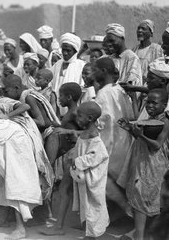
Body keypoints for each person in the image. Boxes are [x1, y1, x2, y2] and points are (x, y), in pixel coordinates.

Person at [0, 85, 53, 240]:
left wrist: (7, 118)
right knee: (4, 183)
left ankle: (20, 229)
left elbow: (24, 106)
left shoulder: (2, 102)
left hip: (18, 146)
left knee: (16, 183)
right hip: (5, 147)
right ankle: (6, 219)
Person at [117, 88, 169, 240]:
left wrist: (140, 135)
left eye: (154, 103)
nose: (150, 106)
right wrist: (129, 129)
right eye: (148, 102)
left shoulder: (165, 121)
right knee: (141, 196)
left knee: (142, 196)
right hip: (142, 162)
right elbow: (139, 137)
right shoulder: (149, 119)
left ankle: (139, 236)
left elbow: (156, 145)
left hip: (153, 164)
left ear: (164, 105)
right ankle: (138, 234)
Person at [91, 57, 135, 215]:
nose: (93, 73)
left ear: (103, 71)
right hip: (124, 143)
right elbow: (130, 115)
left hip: (111, 145)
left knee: (103, 181)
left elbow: (99, 124)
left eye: (95, 69)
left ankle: (126, 210)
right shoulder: (120, 90)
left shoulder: (103, 94)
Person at [40, 82, 83, 237]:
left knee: (65, 190)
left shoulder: (75, 112)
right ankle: (54, 218)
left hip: (72, 155)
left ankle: (58, 227)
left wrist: (65, 130)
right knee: (64, 189)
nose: (59, 99)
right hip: (66, 154)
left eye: (61, 95)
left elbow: (88, 131)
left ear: (69, 97)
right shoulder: (70, 111)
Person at [70, 101, 110, 239]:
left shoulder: (94, 136)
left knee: (94, 204)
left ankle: (93, 234)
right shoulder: (87, 132)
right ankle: (89, 230)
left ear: (90, 118)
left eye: (80, 116)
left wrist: (77, 161)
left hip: (93, 176)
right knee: (86, 204)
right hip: (85, 175)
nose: (77, 119)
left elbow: (98, 155)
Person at [50, 32, 86, 116]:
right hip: (56, 109)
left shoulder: (81, 65)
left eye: (68, 50)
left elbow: (83, 89)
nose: (65, 53)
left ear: (75, 50)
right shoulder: (57, 64)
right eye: (63, 50)